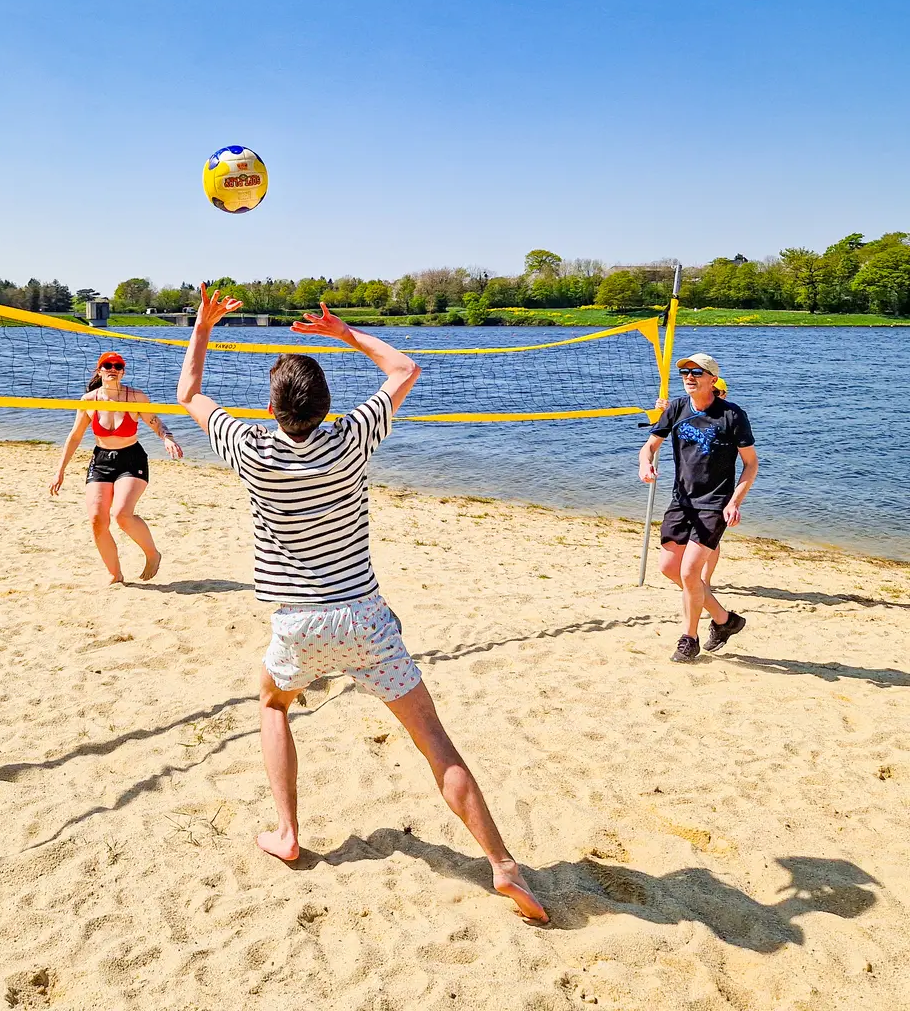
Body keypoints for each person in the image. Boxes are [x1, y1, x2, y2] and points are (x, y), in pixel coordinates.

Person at [176, 287, 548, 922]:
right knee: (436, 742)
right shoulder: (352, 436)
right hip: (365, 619)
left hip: (299, 624)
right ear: (326, 406)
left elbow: (188, 393)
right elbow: (405, 369)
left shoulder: (249, 446)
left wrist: (204, 327)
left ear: (270, 408)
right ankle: (502, 866)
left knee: (272, 702)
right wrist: (345, 333)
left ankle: (288, 834)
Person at [640, 352, 758, 663]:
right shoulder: (677, 407)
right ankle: (724, 619)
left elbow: (750, 465)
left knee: (690, 571)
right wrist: (645, 464)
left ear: (711, 379)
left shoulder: (732, 415)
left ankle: (688, 639)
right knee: (669, 568)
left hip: (715, 503)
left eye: (697, 372)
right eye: (685, 373)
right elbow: (651, 445)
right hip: (682, 500)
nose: (689, 377)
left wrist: (735, 502)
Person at [50, 351, 183, 583]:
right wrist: (60, 470)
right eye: (107, 365)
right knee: (97, 520)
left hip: (131, 459)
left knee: (122, 514)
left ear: (122, 372)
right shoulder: (88, 400)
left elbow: (156, 422)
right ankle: (115, 574)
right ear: (99, 370)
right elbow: (75, 436)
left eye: (118, 366)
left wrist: (167, 438)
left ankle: (152, 554)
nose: (113, 369)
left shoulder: (136, 397)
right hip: (101, 460)